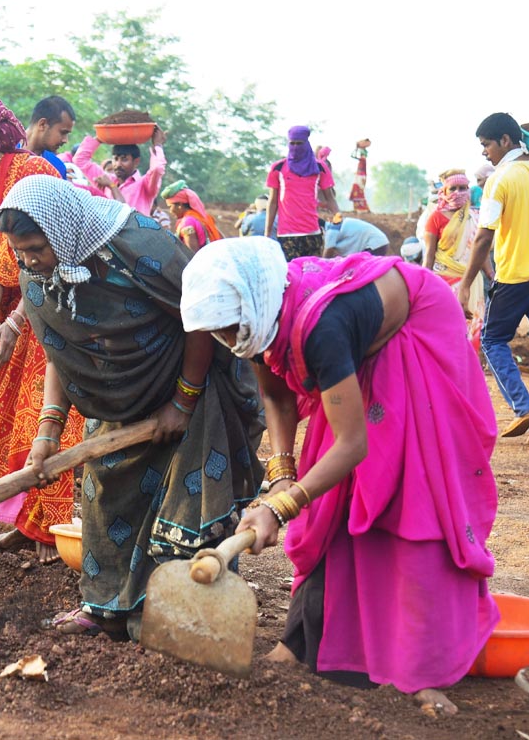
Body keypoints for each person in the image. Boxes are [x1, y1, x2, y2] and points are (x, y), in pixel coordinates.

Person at [180, 237, 499, 716]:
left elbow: (353, 445)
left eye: (228, 329)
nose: (229, 339)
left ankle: (422, 672)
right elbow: (277, 396)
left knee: (411, 505)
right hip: (357, 353)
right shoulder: (256, 315)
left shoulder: (319, 326)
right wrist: (283, 476)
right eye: (221, 332)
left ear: (249, 304)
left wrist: (278, 507)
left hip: (417, 334)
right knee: (332, 508)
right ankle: (301, 643)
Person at [0, 175, 263, 639]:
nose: (28, 260)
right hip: (114, 401)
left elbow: (200, 317)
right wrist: (47, 432)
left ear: (60, 230)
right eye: (20, 252)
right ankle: (106, 610)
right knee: (106, 498)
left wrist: (182, 401)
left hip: (188, 387)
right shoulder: (38, 274)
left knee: (190, 502)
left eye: (36, 248)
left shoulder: (141, 246)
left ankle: (181, 621)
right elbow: (63, 350)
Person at [0, 98, 84, 564]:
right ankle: (27, 526)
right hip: (17, 311)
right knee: (6, 417)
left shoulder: (36, 174)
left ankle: (50, 530)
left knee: (44, 419)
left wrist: (13, 321)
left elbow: (50, 262)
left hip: (52, 307)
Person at [459, 113, 529, 448]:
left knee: (492, 340)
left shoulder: (500, 179)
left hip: (517, 274)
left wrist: (465, 283)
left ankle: (523, 407)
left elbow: (484, 238)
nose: (483, 152)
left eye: (486, 144)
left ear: (505, 140)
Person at [422, 172, 489, 343]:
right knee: (443, 330)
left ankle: (466, 368)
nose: (458, 192)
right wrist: (421, 285)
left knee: (471, 331)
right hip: (443, 282)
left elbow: (481, 252)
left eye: (463, 188)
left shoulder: (476, 218)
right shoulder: (435, 218)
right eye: (453, 188)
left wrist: (493, 276)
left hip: (472, 283)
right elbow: (429, 255)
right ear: (444, 191)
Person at [266, 126, 338, 260]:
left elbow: (330, 197)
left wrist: (338, 217)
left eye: (299, 143)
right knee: (290, 275)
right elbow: (273, 201)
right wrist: (267, 232)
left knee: (312, 275)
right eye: (292, 143)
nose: (295, 147)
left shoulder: (319, 167)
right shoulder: (278, 168)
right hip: (287, 235)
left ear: (306, 144)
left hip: (312, 233)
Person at [72, 127, 167, 215]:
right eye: (116, 159)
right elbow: (80, 160)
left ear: (136, 161)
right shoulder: (106, 180)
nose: (118, 164)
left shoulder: (145, 185)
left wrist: (158, 145)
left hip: (137, 233)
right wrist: (100, 137)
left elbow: (157, 168)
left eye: (124, 159)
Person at [162, 181, 222, 253]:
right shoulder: (205, 218)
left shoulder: (187, 222)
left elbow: (192, 254)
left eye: (170, 206)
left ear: (180, 205)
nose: (170, 211)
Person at [26, 96, 76, 178]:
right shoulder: (4, 154)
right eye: (63, 132)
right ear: (42, 124)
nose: (65, 140)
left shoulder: (57, 168)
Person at [323, 214, 389, 257]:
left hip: (375, 244)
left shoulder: (331, 230)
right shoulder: (337, 225)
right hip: (380, 242)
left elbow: (328, 252)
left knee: (360, 271)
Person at [349, 138, 371, 212]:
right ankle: (358, 208)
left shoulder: (362, 160)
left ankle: (360, 207)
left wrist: (356, 149)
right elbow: (352, 155)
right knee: (358, 190)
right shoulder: (362, 160)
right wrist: (356, 149)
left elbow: (352, 156)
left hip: (361, 175)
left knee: (359, 190)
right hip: (360, 175)